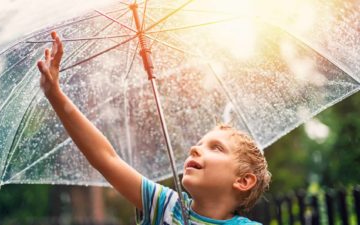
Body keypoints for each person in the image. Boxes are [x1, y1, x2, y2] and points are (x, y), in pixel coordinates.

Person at [37, 31, 271, 225]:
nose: (195, 149)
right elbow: (106, 158)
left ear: (243, 181)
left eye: (216, 148)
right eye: (199, 143)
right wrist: (55, 94)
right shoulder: (165, 206)